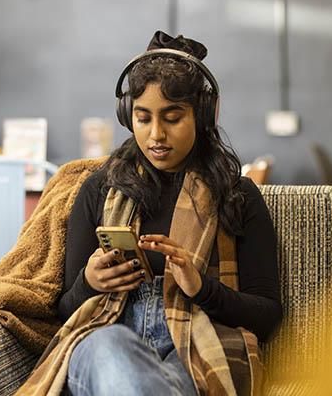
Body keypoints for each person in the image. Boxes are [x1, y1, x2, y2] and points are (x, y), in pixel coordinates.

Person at [42, 31, 282, 395]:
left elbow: (267, 316)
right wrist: (89, 282)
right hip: (109, 336)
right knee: (111, 349)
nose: (156, 134)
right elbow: (66, 310)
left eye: (172, 117)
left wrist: (201, 288)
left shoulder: (237, 196)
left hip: (199, 347)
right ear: (127, 116)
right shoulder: (98, 189)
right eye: (143, 118)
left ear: (201, 116)